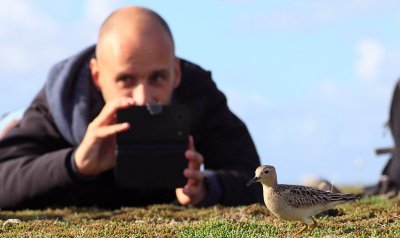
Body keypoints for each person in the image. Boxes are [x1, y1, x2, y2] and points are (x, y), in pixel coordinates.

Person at [0, 6, 262, 210]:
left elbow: (256, 181)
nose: (143, 98)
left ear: (176, 73)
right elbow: (5, 179)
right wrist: (75, 164)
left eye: (157, 78)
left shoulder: (197, 95)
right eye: (126, 80)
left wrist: (206, 187)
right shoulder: (64, 100)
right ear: (97, 76)